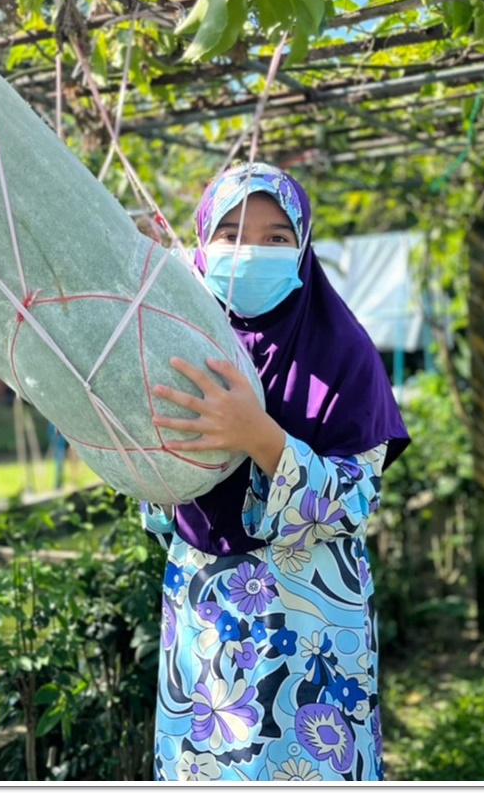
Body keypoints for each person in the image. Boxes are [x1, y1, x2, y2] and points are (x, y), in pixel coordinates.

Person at [142, 162, 409, 782]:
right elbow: (156, 489)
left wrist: (261, 438)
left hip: (311, 614)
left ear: (303, 246)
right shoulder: (180, 341)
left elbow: (356, 498)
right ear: (202, 245)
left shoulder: (344, 351)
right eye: (230, 233)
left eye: (275, 237)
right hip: (203, 610)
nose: (250, 251)